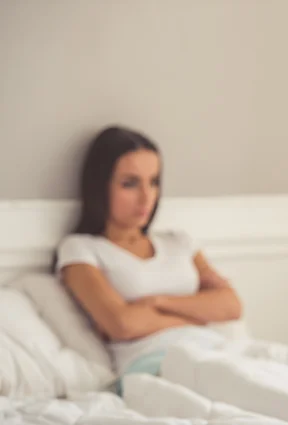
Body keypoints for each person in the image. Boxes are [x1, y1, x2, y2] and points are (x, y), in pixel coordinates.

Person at [54, 125, 242, 378]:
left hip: (217, 350)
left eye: (153, 182)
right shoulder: (80, 249)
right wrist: (199, 316)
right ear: (100, 186)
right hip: (154, 365)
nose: (146, 197)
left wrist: (158, 302)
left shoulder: (179, 242)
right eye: (130, 184)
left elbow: (231, 306)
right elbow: (123, 324)